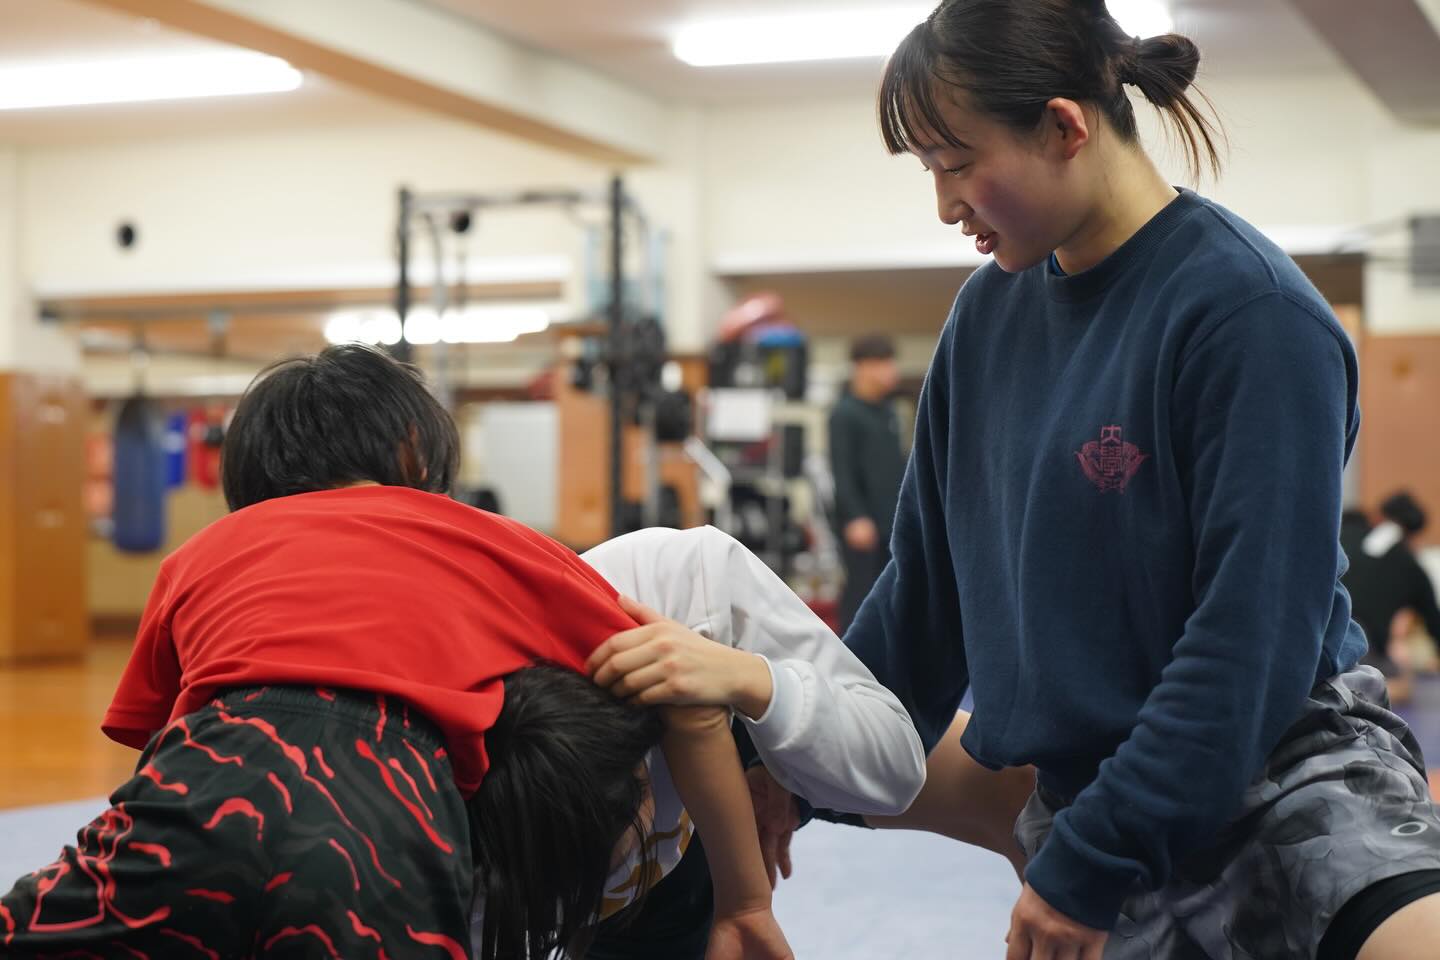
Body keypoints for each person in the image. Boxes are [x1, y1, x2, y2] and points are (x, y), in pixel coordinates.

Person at [751, 2, 1440, 958]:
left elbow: (1251, 643)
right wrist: (792, 771)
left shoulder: (1253, 315)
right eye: (929, 173)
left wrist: (1096, 859)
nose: (946, 205)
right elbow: (922, 604)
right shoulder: (986, 318)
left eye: (956, 165)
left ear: (1065, 127)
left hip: (1279, 781)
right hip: (1080, 796)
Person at [0, 344, 789, 960]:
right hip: (384, 823)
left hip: (202, 793)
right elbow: (689, 700)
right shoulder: (492, 542)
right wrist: (744, 905)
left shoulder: (206, 550)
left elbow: (157, 746)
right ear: (417, 457)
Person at [557, 524, 927, 959]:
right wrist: (746, 901)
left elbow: (898, 764)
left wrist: (749, 682)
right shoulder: (478, 872)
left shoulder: (678, 582)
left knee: (993, 782)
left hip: (722, 706)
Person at [828, 334, 907, 630]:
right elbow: (842, 470)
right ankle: (849, 655)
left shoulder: (887, 411)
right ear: (862, 367)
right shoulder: (845, 413)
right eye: (884, 363)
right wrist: (856, 516)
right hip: (862, 523)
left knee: (890, 591)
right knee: (861, 591)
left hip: (891, 519)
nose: (892, 371)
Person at [1341, 492, 1440, 703]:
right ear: (1413, 534)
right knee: (1401, 684)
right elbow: (1435, 624)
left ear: (1378, 516)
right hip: (1364, 649)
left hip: (1322, 636)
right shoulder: (1411, 567)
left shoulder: (1344, 535)